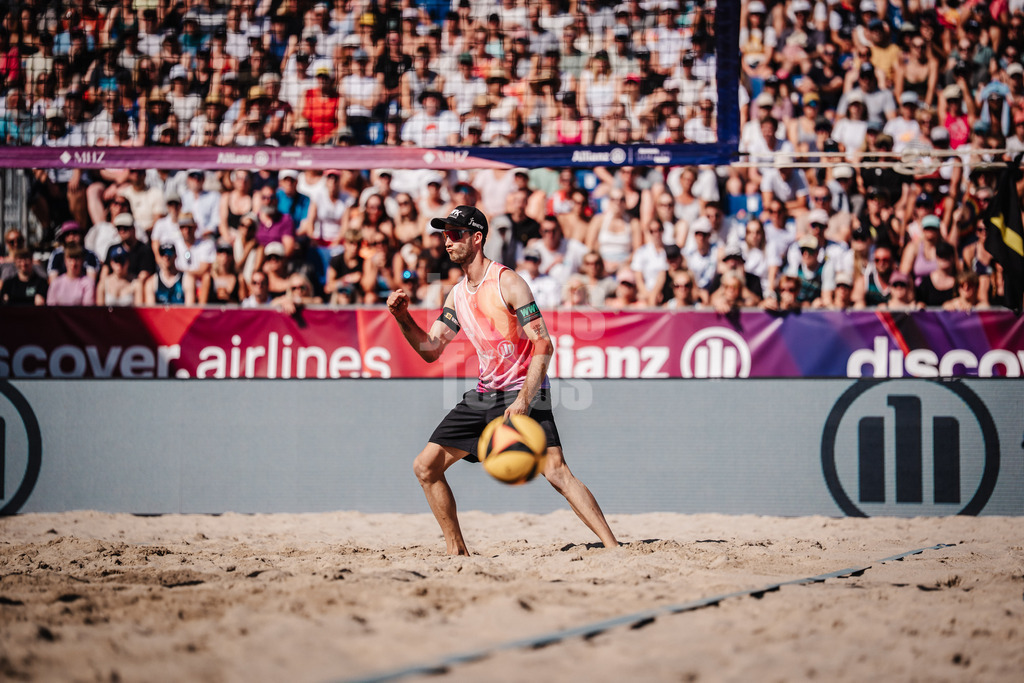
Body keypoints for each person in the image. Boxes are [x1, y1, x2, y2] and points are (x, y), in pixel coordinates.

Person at [386, 205, 618, 556]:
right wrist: (403, 317)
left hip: (523, 390)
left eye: (455, 234)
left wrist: (524, 399)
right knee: (425, 467)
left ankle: (614, 547)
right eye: (445, 235)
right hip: (485, 393)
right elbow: (431, 349)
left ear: (477, 238)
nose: (447, 241)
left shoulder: (507, 282)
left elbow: (544, 343)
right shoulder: (457, 294)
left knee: (557, 472)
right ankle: (457, 552)